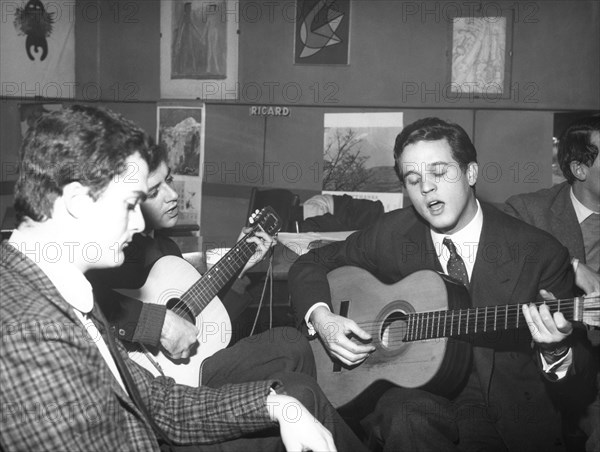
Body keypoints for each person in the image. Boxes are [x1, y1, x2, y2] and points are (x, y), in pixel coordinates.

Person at [0, 105, 367, 451]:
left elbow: (158, 402)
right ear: (77, 203)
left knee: (297, 396)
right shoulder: (29, 332)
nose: (141, 222)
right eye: (130, 204)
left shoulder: (61, 290)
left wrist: (275, 407)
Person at [288, 117, 597, 451]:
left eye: (439, 173)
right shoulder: (392, 233)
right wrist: (323, 317)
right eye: (413, 178)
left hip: (504, 413)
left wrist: (555, 350)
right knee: (404, 416)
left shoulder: (538, 252)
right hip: (415, 400)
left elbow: (579, 386)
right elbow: (312, 262)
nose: (426, 188)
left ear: (471, 173)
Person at [86, 142, 316, 386]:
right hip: (136, 380)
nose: (173, 195)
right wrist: (158, 324)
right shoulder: (110, 253)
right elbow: (89, 305)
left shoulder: (168, 250)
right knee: (291, 351)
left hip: (190, 371)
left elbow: (211, 325)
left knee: (291, 347)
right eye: (155, 191)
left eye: (170, 180)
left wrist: (239, 266)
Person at [504, 115, 600, 451]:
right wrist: (572, 265)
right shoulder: (530, 210)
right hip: (556, 371)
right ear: (580, 169)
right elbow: (500, 247)